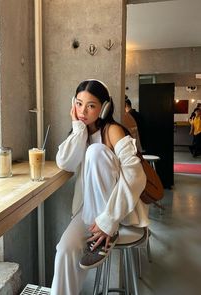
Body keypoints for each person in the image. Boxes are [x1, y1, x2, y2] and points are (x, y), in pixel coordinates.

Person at [51, 79, 149, 295]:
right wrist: (78, 128)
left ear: (104, 107)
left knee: (95, 152)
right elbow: (64, 162)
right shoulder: (82, 133)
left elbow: (136, 177)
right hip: (88, 213)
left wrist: (109, 220)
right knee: (64, 250)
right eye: (78, 104)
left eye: (91, 105)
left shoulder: (112, 130)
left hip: (117, 214)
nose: (83, 111)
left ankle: (107, 230)